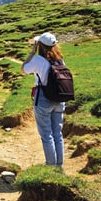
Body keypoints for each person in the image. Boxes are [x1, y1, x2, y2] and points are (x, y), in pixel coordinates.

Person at [21, 32, 66, 167]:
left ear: (40, 45)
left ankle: (50, 166)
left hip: (43, 99)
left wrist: (32, 53)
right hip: (59, 99)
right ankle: (59, 166)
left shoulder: (38, 60)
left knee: (47, 135)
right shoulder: (60, 60)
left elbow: (23, 69)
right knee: (57, 134)